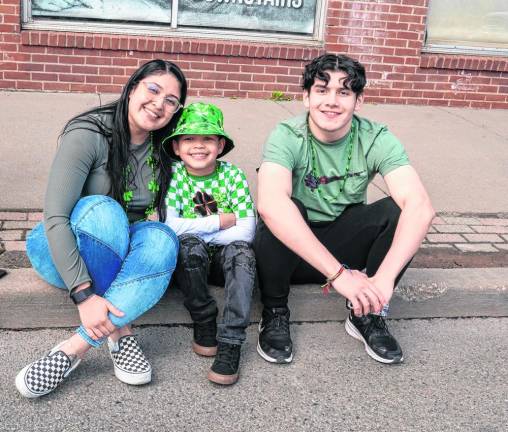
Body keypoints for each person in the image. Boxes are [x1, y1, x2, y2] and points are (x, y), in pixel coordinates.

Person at [15, 59, 187, 398]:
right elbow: (55, 218)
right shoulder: (89, 133)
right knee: (106, 211)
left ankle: (73, 349)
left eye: (171, 101)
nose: (159, 104)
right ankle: (121, 334)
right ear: (132, 87)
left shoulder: (165, 148)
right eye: (153, 90)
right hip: (61, 248)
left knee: (163, 239)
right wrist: (83, 294)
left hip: (117, 249)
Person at [254, 53, 435, 365]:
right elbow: (270, 204)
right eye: (322, 90)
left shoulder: (375, 137)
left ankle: (368, 313)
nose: (332, 102)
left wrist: (382, 283)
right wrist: (339, 276)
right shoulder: (287, 135)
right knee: (281, 210)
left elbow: (420, 207)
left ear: (358, 101)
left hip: (344, 243)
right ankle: (274, 312)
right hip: (293, 252)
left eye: (344, 92)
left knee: (397, 211)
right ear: (306, 97)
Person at [163, 102, 256, 385]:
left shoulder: (233, 176)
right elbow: (170, 226)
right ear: (177, 147)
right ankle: (203, 317)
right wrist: (218, 222)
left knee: (243, 254)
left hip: (223, 261)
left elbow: (247, 231)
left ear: (220, 145)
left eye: (208, 139)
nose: (198, 146)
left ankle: (230, 341)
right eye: (189, 139)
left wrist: (196, 230)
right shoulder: (174, 175)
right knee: (189, 246)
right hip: (190, 265)